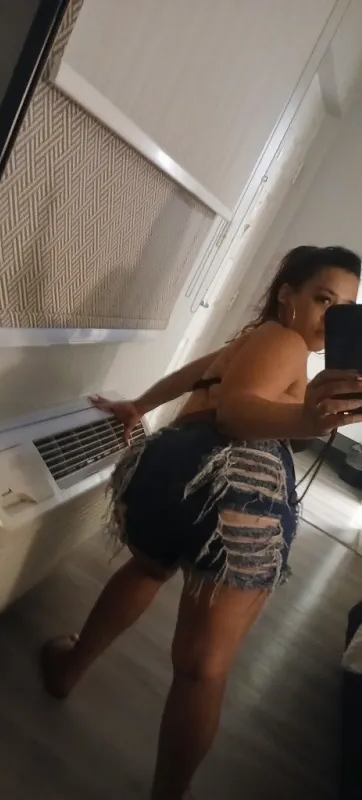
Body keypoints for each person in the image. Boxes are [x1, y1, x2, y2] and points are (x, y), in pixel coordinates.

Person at [41, 245, 362, 799]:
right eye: (322, 299)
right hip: (237, 489)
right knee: (203, 667)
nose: (328, 318)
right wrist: (306, 418)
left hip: (170, 470)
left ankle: (69, 667)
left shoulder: (253, 340)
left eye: (344, 310)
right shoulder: (285, 342)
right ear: (288, 295)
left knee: (146, 570)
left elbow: (197, 377)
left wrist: (138, 406)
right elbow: (237, 413)